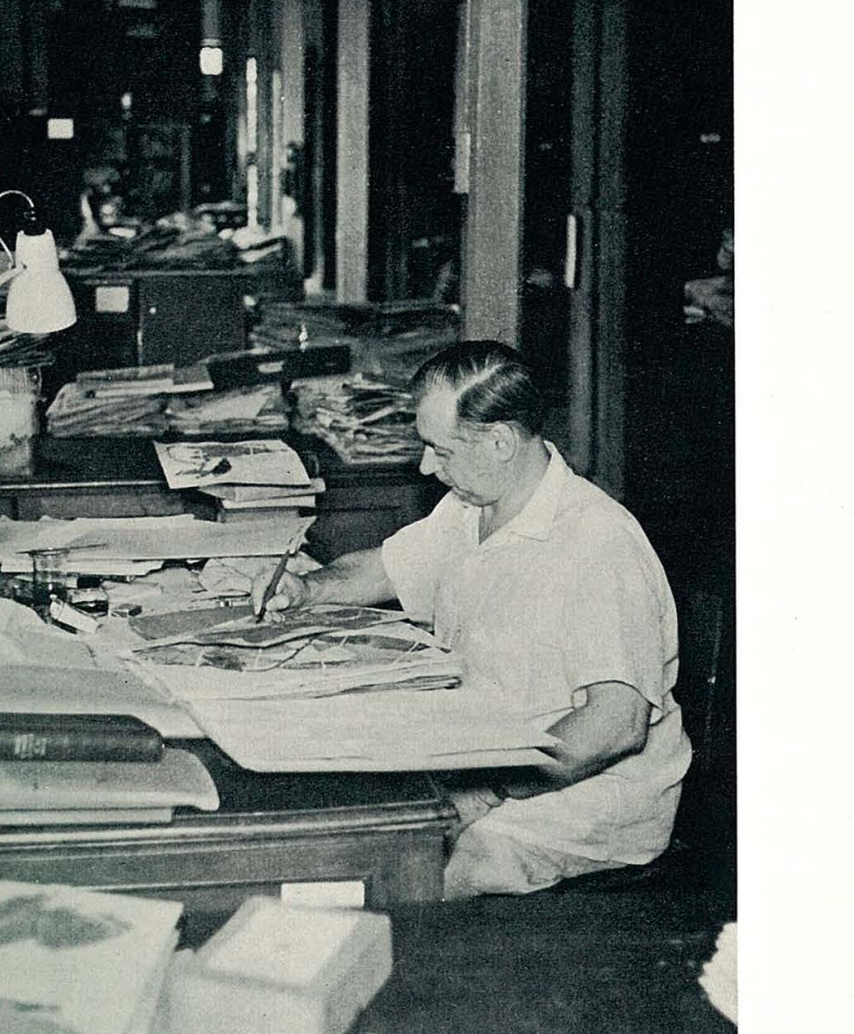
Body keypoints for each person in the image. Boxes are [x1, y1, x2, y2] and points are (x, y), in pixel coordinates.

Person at [253, 341, 691, 901]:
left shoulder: (596, 544)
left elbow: (614, 727)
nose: (425, 467)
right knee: (325, 812)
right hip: (480, 754)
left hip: (577, 797)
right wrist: (306, 589)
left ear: (501, 441)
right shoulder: (474, 507)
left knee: (401, 876)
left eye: (440, 450)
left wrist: (484, 792)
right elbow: (384, 570)